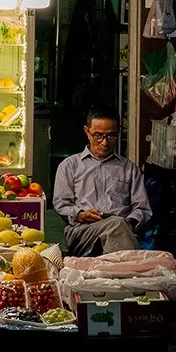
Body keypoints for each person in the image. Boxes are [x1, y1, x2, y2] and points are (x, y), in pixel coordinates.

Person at [52, 108, 152, 256]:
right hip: (82, 231)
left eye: (111, 136)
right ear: (87, 131)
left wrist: (129, 223)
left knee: (117, 226)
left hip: (122, 230)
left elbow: (142, 209)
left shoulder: (129, 168)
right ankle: (132, 272)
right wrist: (80, 214)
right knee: (117, 224)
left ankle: (118, 273)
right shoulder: (69, 166)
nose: (104, 143)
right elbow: (61, 204)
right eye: (98, 136)